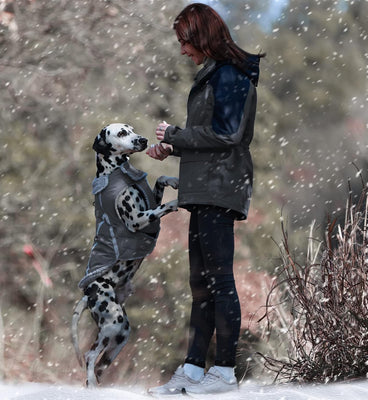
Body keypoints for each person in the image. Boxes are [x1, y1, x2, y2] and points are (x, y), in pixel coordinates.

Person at [146, 2, 264, 396]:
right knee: (201, 284)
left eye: (185, 42)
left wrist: (176, 136)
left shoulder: (229, 75)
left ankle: (224, 372)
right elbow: (209, 136)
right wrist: (173, 147)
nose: (182, 50)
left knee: (219, 282)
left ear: (202, 38)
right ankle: (194, 369)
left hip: (220, 186)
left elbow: (227, 134)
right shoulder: (215, 73)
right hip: (204, 187)